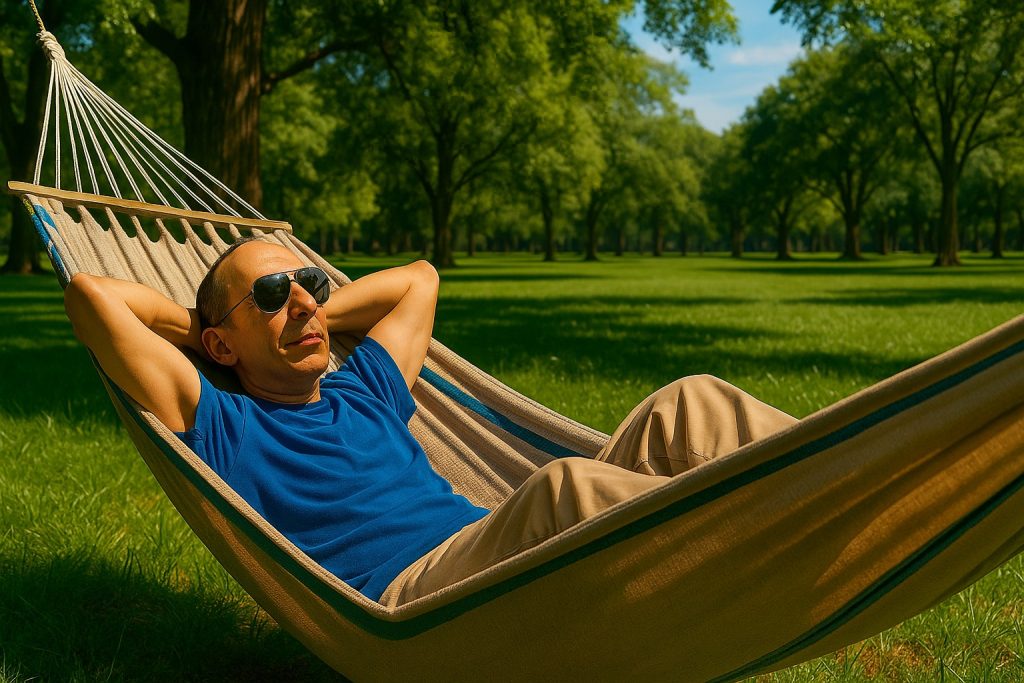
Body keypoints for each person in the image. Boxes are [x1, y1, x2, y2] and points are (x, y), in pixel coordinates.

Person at [63, 237, 797, 605]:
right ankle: (757, 541)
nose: (306, 303)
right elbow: (93, 295)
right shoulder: (224, 423)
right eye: (271, 292)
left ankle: (839, 473)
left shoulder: (366, 390)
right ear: (220, 343)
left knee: (689, 402)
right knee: (567, 488)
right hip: (418, 604)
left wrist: (287, 309)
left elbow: (419, 278)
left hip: (503, 549)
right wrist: (203, 331)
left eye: (311, 285)